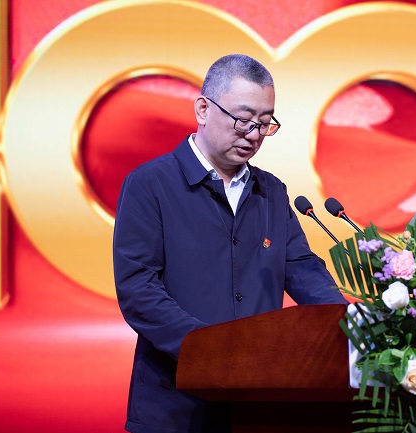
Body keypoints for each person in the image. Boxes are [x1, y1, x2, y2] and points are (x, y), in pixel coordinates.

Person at [113, 54, 347, 433]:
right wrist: (210, 349)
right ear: (203, 109)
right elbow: (138, 290)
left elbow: (303, 269)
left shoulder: (271, 192)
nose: (253, 135)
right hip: (174, 405)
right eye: (242, 119)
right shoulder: (150, 184)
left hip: (257, 401)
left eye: (264, 123)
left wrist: (349, 327)